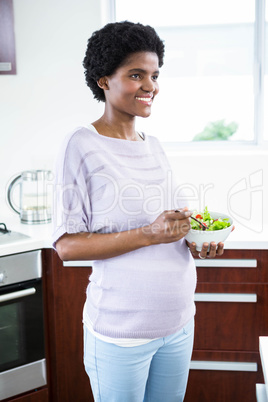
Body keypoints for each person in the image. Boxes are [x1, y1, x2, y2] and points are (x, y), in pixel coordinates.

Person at [52, 21, 224, 402]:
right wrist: (150, 233)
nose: (151, 86)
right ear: (104, 81)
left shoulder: (155, 145)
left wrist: (197, 239)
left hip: (178, 322)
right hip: (120, 333)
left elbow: (169, 228)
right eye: (136, 75)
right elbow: (67, 246)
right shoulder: (81, 144)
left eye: (154, 75)